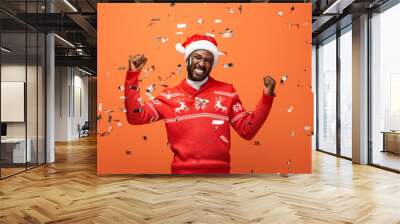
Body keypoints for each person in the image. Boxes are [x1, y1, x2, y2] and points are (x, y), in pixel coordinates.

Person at [124, 34, 276, 174]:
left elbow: (247, 130)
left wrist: (267, 98)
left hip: (220, 178)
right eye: (197, 57)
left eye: (207, 60)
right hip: (181, 178)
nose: (201, 63)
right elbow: (135, 117)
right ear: (187, 59)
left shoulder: (227, 92)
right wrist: (132, 77)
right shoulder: (168, 96)